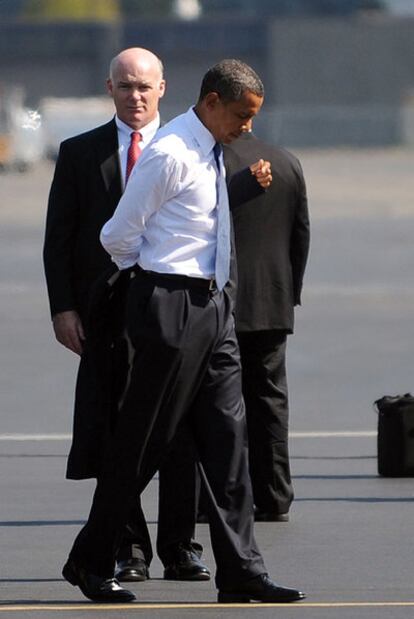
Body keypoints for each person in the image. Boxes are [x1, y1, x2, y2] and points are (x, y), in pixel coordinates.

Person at [61, 58, 306, 604]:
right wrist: (156, 283)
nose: (248, 128)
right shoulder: (169, 153)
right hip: (170, 306)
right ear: (213, 103)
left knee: (228, 443)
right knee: (142, 441)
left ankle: (241, 568)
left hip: (215, 308)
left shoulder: (210, 147)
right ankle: (91, 558)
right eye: (241, 116)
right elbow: (117, 236)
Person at [43, 47, 210, 584]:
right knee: (117, 429)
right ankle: (128, 549)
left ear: (163, 88)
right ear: (108, 89)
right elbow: (60, 239)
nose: (135, 97)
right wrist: (63, 308)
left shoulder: (193, 147)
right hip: (107, 316)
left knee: (180, 429)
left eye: (144, 87)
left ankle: (181, 546)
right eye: (124, 86)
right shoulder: (79, 153)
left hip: (175, 311)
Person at [224, 127, 310, 522]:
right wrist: (289, 290)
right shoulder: (287, 162)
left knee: (213, 404)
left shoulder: (208, 163)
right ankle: (275, 494)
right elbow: (300, 234)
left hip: (218, 300)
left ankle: (219, 495)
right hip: (272, 300)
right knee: (270, 401)